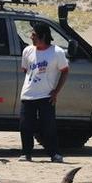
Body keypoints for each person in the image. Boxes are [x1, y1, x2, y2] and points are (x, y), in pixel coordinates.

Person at [19, 22, 69, 163]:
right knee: (25, 126)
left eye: (34, 35)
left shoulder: (57, 52)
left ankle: (54, 154)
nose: (31, 37)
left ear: (43, 36)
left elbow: (65, 71)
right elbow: (26, 70)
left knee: (48, 127)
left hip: (46, 96)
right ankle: (26, 153)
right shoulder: (27, 51)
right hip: (28, 95)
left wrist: (56, 91)